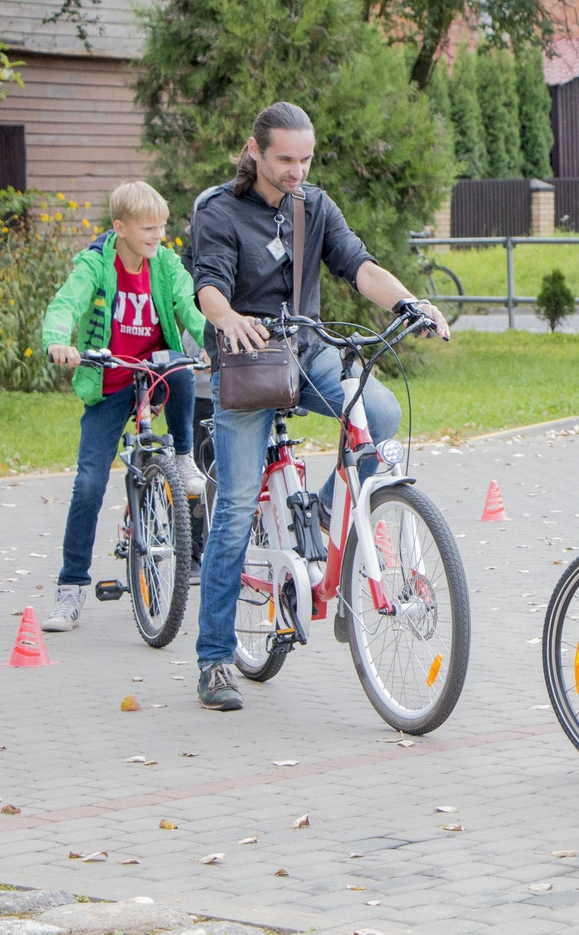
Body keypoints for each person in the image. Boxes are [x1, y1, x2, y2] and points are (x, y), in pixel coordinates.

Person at [188, 101, 449, 712]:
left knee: (380, 415)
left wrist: (409, 303)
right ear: (254, 151)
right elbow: (209, 286)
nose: (297, 171)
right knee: (232, 511)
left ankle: (329, 516)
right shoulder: (219, 212)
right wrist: (228, 320)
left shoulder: (314, 206)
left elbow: (359, 267)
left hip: (307, 353)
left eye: (305, 159)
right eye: (285, 159)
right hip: (250, 365)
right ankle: (215, 660)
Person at [40, 181, 208, 632]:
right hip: (110, 381)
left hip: (153, 373)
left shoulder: (167, 265)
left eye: (162, 227)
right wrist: (59, 340)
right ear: (121, 228)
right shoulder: (97, 263)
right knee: (89, 484)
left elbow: (190, 309)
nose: (157, 235)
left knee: (181, 370)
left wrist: (214, 341)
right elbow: (66, 304)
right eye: (147, 228)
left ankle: (184, 457)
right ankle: (70, 590)